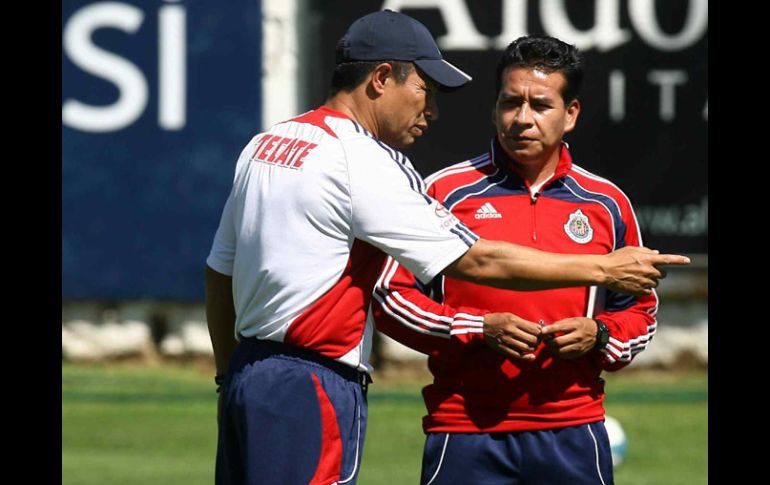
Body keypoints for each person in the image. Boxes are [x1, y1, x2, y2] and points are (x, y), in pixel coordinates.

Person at [205, 11, 688, 485]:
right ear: (381, 78)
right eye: (424, 90)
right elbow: (475, 260)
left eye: (539, 105)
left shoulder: (269, 142)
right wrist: (599, 270)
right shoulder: (366, 161)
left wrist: (231, 376)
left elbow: (219, 272)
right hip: (320, 385)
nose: (430, 110)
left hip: (251, 374)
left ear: (571, 113)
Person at [371, 35, 659, 485]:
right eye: (510, 103)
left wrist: (599, 334)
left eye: (540, 105)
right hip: (464, 430)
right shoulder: (444, 192)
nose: (522, 119)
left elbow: (639, 312)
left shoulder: (607, 204)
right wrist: (478, 329)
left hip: (573, 430)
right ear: (494, 108)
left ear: (571, 115)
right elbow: (391, 296)